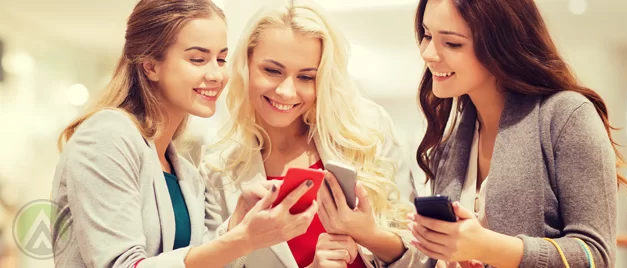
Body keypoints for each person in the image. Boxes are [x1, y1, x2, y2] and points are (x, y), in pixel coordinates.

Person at [51, 1, 318, 267]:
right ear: (150, 65)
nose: (216, 74)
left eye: (221, 59)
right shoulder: (107, 136)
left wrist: (239, 222)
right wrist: (244, 239)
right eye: (198, 59)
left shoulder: (186, 173)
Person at [408, 0, 627, 267]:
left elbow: (596, 256)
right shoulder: (451, 143)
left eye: (452, 43)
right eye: (427, 35)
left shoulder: (566, 115)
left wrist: (489, 248)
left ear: (500, 45)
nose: (428, 53)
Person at [199, 1, 420, 267]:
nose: (286, 92)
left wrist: (369, 234)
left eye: (306, 77)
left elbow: (423, 255)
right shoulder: (218, 167)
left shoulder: (368, 132)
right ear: (245, 64)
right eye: (272, 70)